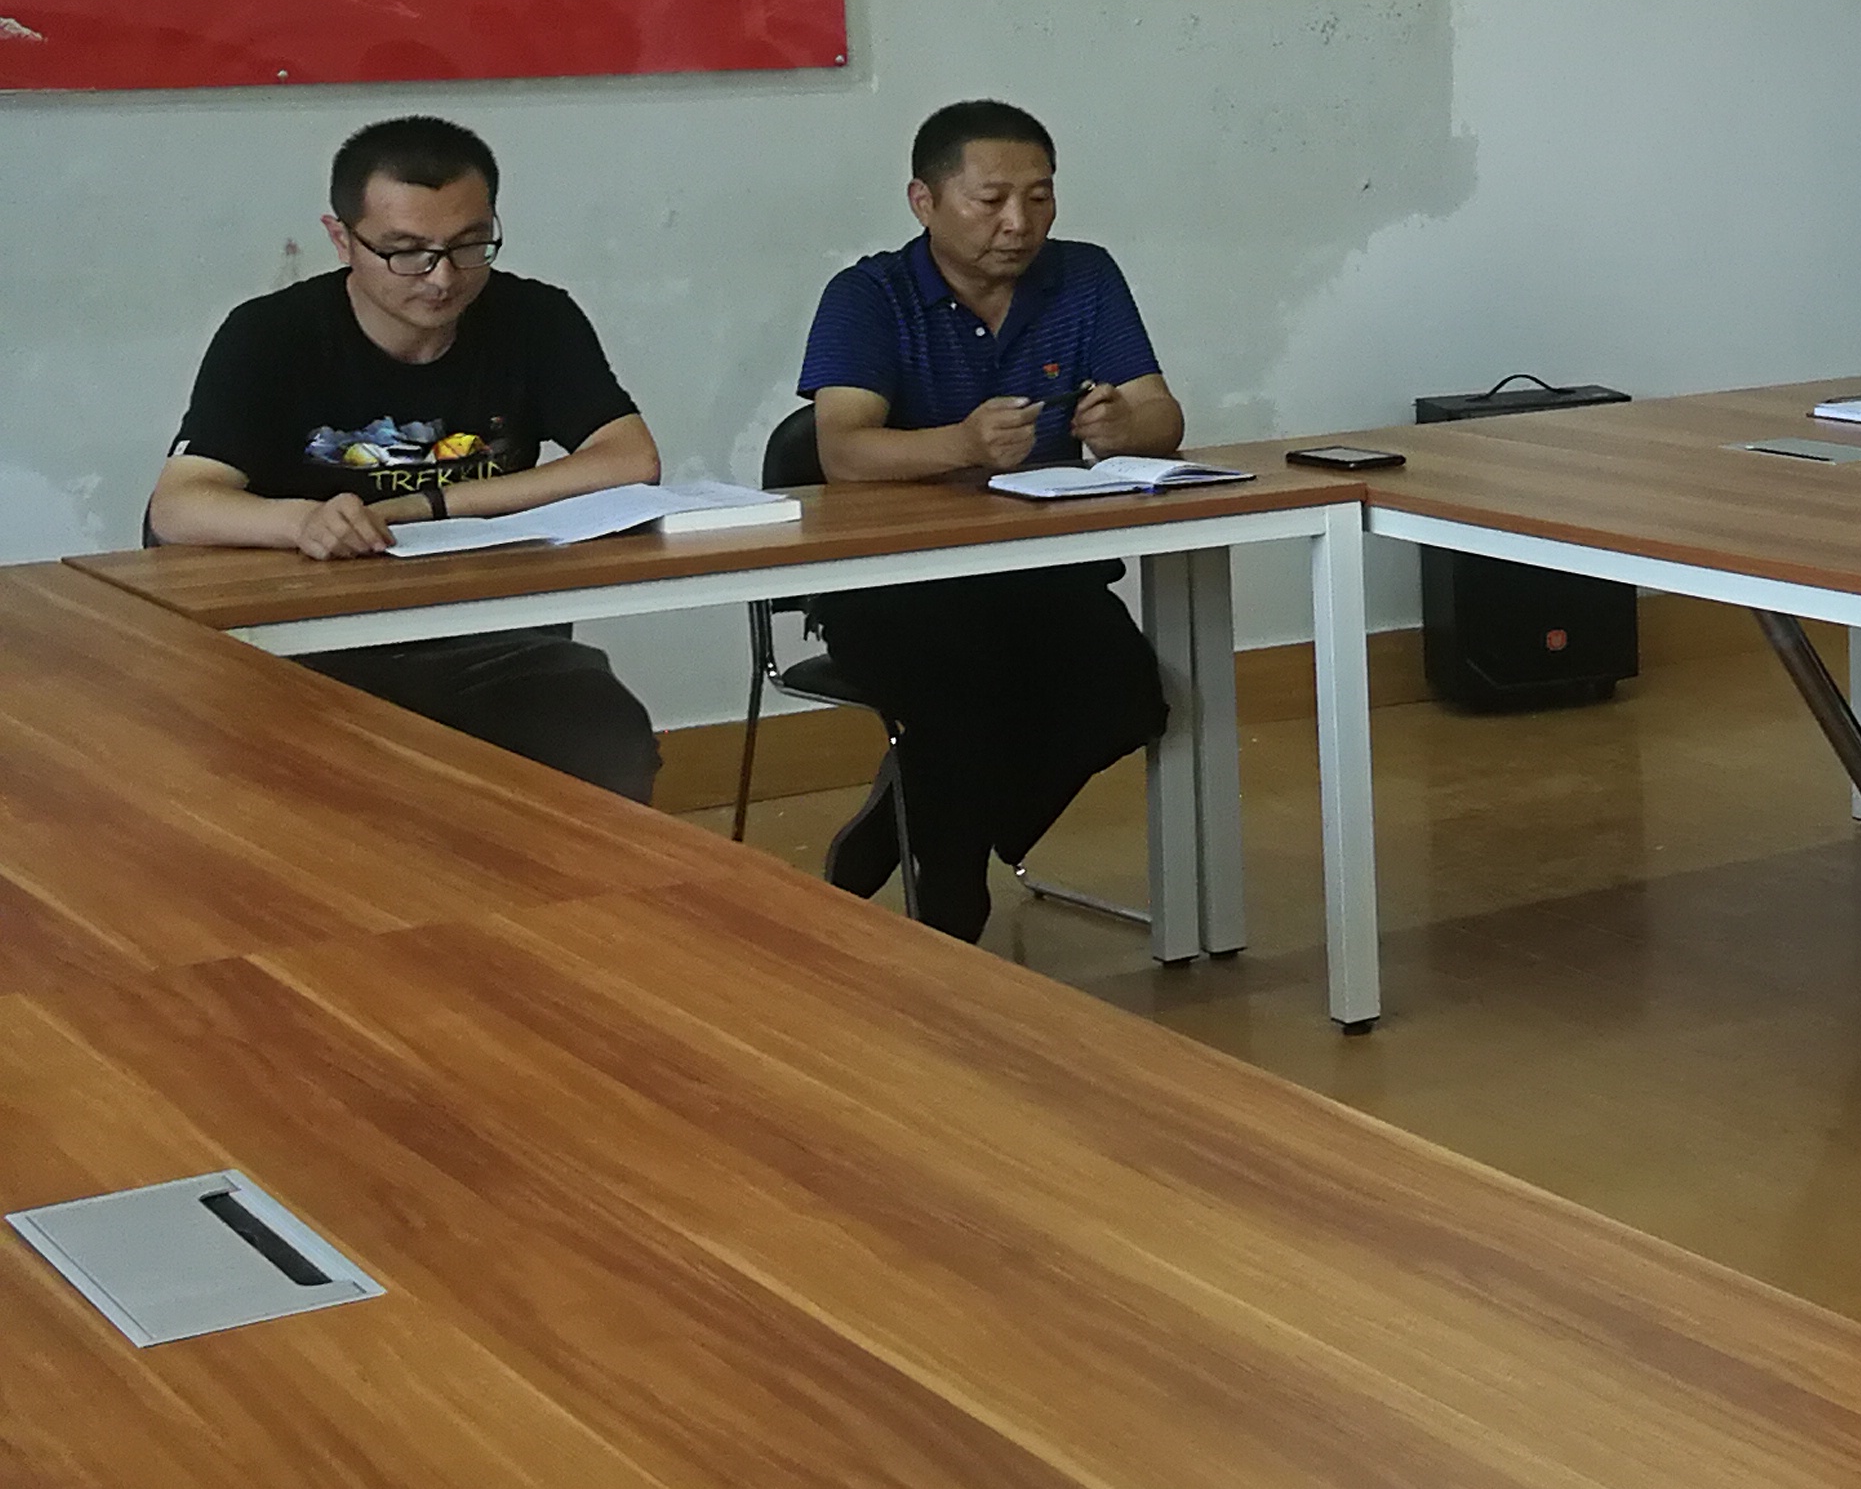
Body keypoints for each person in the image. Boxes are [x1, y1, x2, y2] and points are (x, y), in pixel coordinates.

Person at [148, 112, 667, 799]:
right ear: (342, 239)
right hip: (304, 639)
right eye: (406, 251)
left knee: (601, 731)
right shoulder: (270, 336)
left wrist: (423, 507)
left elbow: (629, 459)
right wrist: (303, 523)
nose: (442, 277)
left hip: (488, 631)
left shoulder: (534, 318)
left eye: (470, 244)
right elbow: (179, 505)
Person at [795, 100, 1181, 941]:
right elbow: (843, 450)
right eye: (991, 199)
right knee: (964, 699)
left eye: (1040, 197)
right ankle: (952, 898)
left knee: (1124, 697)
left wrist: (1125, 429)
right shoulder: (868, 296)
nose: (1019, 223)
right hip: (892, 583)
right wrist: (961, 444)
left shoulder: (1084, 277)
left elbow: (1161, 415)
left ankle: (900, 823)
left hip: (1035, 571)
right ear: (924, 201)